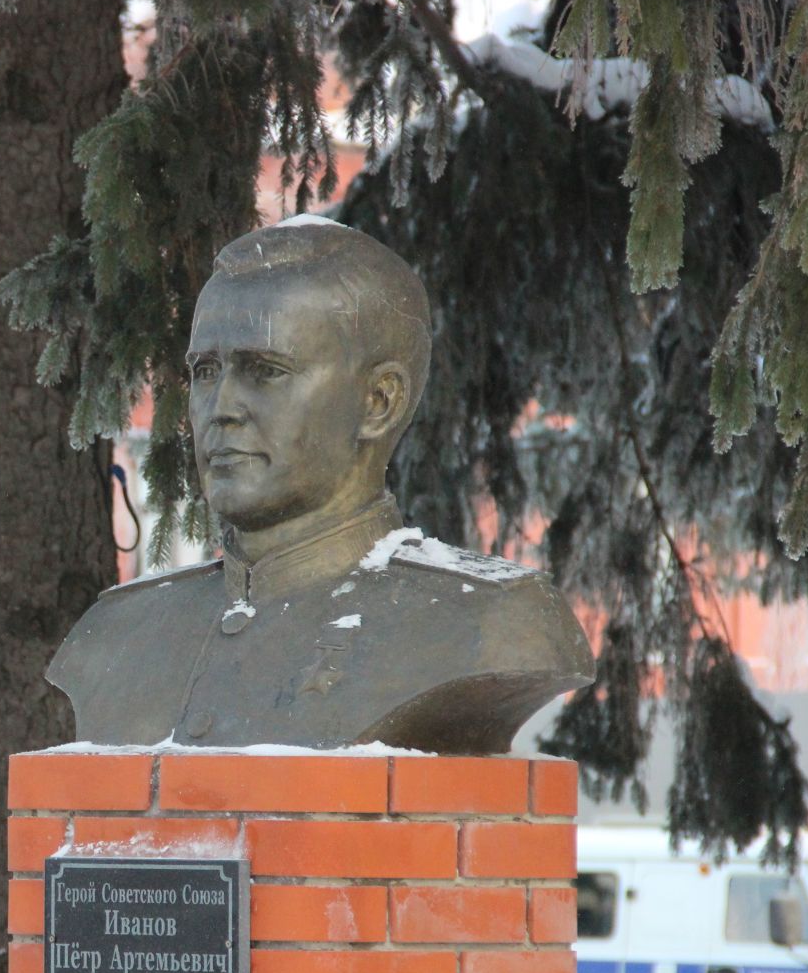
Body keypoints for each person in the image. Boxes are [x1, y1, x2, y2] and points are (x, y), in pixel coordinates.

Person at [48, 218, 592, 753]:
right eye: (206, 372)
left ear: (379, 403)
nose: (220, 410)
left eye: (264, 370)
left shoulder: (489, 618)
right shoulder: (119, 633)